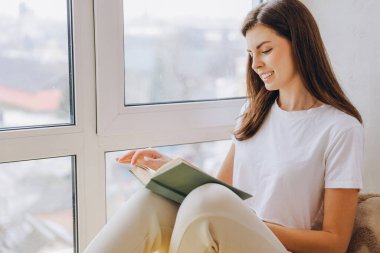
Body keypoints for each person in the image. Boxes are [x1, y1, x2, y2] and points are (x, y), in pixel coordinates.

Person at [84, 0, 364, 252]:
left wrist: (248, 223)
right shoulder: (253, 113)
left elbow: (334, 242)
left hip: (277, 247)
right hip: (233, 235)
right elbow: (221, 189)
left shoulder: (340, 128)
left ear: (300, 45)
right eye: (251, 54)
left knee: (211, 202)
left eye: (265, 50)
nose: (256, 64)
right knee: (155, 199)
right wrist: (172, 169)